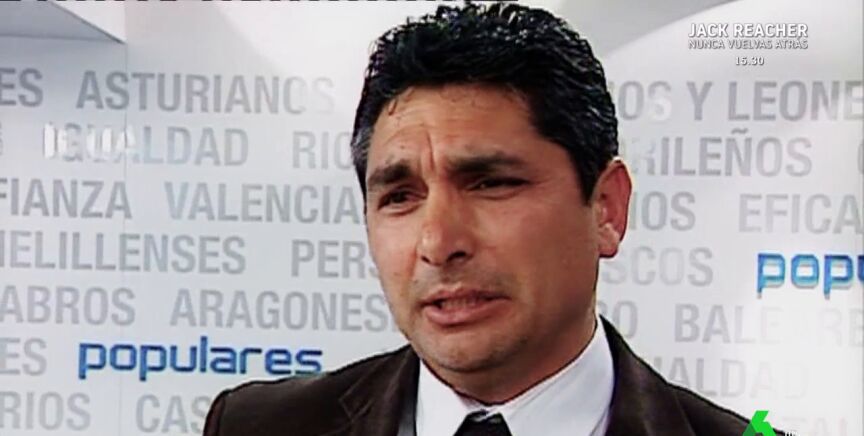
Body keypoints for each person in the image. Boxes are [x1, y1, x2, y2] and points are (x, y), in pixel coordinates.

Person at [203, 3, 784, 435]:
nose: (439, 242)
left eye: (491, 184)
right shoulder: (256, 427)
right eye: (400, 196)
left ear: (607, 208)